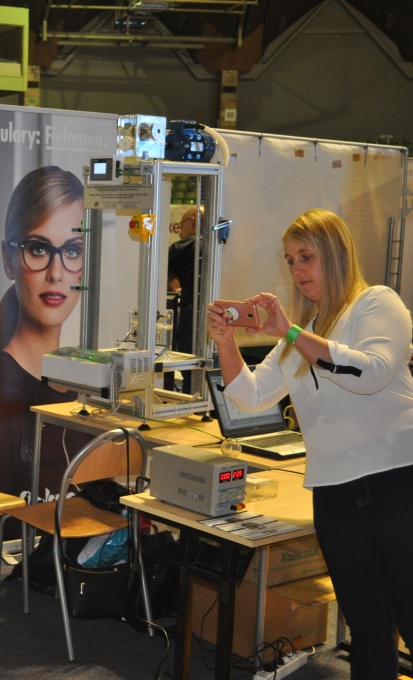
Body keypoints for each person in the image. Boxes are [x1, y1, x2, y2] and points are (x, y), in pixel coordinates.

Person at [206, 208, 413, 678]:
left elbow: (369, 373)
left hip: (398, 480)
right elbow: (251, 396)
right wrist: (226, 342)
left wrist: (290, 331)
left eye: (306, 257)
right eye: (290, 260)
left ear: (335, 255)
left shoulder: (377, 303)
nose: (297, 270)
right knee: (368, 628)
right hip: (335, 492)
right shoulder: (302, 334)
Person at [0, 166, 94, 514]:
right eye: (38, 249)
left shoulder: (85, 383)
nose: (56, 273)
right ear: (8, 259)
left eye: (72, 251)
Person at [166, 205, 201, 391]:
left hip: (192, 313)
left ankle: (191, 403)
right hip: (224, 314)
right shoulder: (222, 245)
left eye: (181, 225)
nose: (180, 232)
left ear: (193, 222)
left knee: (190, 367)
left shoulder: (185, 246)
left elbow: (157, 268)